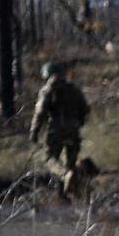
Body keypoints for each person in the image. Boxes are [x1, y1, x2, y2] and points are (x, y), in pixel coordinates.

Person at [29, 62, 91, 195]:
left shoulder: (47, 90)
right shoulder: (73, 88)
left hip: (55, 130)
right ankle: (66, 194)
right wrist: (78, 123)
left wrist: (34, 131)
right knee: (70, 162)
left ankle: (65, 176)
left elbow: (40, 112)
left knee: (49, 159)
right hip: (73, 130)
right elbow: (85, 108)